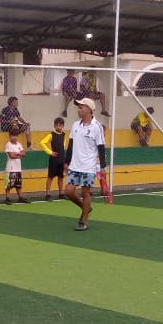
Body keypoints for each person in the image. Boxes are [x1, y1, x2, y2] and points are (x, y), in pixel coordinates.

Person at [64, 97, 107, 232]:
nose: (78, 110)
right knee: (68, 191)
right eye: (78, 107)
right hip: (74, 166)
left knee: (85, 192)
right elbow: (70, 145)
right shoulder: (75, 125)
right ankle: (86, 208)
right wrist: (66, 162)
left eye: (81, 107)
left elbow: (101, 147)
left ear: (89, 109)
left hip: (88, 167)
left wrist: (103, 167)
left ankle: (83, 221)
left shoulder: (97, 127)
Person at [39, 117, 68, 201]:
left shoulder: (64, 135)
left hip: (61, 159)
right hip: (54, 160)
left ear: (63, 126)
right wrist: (50, 152)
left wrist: (64, 158)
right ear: (55, 126)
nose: (59, 127)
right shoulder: (51, 135)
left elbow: (63, 146)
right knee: (50, 177)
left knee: (61, 177)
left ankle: (61, 193)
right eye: (58, 125)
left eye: (61, 125)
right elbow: (42, 143)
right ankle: (48, 194)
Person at [4, 130, 28, 204]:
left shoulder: (19, 144)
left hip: (18, 168)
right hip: (10, 168)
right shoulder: (8, 144)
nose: (15, 137)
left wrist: (16, 154)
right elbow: (11, 156)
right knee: (8, 185)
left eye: (16, 136)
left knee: (18, 185)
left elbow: (24, 153)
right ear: (10, 136)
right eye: (13, 136)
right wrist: (19, 154)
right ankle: (7, 198)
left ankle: (20, 198)